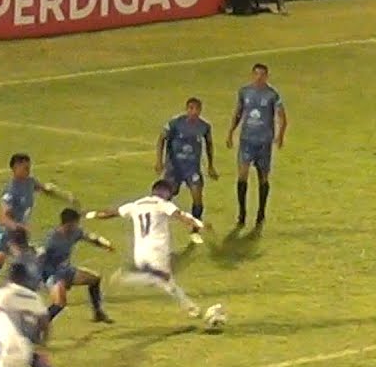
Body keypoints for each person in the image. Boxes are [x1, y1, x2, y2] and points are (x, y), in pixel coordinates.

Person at [0, 153, 77, 312]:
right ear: (15, 168)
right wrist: (18, 226)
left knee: (33, 263)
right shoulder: (11, 190)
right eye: (25, 167)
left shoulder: (30, 182)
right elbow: (3, 217)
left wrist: (65, 196)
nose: (28, 170)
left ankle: (38, 295)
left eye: (29, 167)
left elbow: (45, 189)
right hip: (5, 233)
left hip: (19, 235)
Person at [85, 180, 206, 320]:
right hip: (156, 250)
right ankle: (126, 278)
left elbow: (111, 213)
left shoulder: (135, 204)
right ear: (164, 192)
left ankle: (192, 309)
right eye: (169, 193)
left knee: (167, 282)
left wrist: (91, 214)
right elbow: (180, 216)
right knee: (159, 279)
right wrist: (198, 225)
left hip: (140, 252)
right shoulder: (162, 204)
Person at [226, 63, 287, 228]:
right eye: (257, 74)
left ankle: (261, 213)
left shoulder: (272, 95)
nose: (259, 77)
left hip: (264, 142)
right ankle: (242, 213)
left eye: (262, 74)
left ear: (267, 76)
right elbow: (238, 112)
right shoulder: (244, 92)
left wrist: (280, 135)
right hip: (246, 140)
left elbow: (282, 117)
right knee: (242, 174)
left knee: (263, 177)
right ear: (252, 75)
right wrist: (231, 131)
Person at [155, 97, 218, 244]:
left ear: (200, 110)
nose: (194, 112)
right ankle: (157, 226)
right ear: (187, 109)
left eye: (196, 109)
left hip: (192, 168)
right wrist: (159, 161)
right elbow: (161, 140)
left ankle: (195, 230)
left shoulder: (204, 126)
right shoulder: (175, 123)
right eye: (191, 109)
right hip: (174, 168)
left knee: (197, 196)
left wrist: (210, 165)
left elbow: (209, 145)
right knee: (165, 198)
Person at [40, 209, 115, 324]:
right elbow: (41, 257)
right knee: (59, 304)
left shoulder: (75, 232)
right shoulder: (52, 239)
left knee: (94, 279)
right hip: (53, 274)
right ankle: (36, 326)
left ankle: (98, 313)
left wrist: (104, 245)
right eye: (76, 223)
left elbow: (89, 237)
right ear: (69, 223)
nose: (78, 225)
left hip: (67, 271)